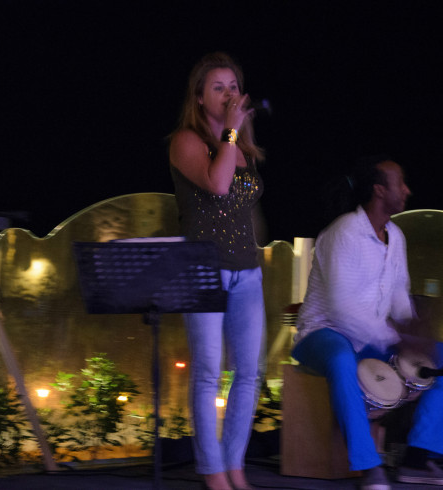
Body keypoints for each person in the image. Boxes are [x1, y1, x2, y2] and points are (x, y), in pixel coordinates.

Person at [292, 155, 443, 489]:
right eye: (400, 183)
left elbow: (399, 295)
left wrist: (417, 333)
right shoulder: (343, 232)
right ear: (379, 190)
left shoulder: (396, 236)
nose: (407, 190)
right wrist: (398, 339)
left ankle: (419, 459)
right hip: (322, 334)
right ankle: (368, 465)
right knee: (341, 358)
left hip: (374, 339)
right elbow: (342, 310)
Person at [169, 52, 265, 490]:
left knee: (248, 371)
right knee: (209, 371)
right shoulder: (186, 141)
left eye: (233, 87)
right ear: (199, 97)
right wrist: (230, 130)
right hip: (204, 267)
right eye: (218, 87)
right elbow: (219, 184)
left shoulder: (242, 146)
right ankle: (211, 470)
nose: (229, 94)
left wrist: (235, 134)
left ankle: (235, 464)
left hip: (247, 270)